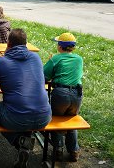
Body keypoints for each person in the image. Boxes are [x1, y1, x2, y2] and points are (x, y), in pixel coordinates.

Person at [0, 28, 52, 168]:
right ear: (26, 43)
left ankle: (19, 141)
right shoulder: (36, 58)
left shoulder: (1, 62)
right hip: (44, 116)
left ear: (8, 43)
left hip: (15, 118)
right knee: (24, 108)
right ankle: (25, 143)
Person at [43, 32, 83, 162]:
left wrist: (50, 62)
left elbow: (44, 76)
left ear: (60, 46)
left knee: (57, 120)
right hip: (77, 94)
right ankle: (74, 151)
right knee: (71, 121)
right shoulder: (79, 59)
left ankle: (58, 150)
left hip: (61, 94)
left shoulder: (56, 58)